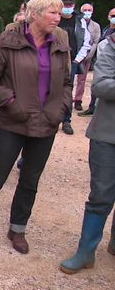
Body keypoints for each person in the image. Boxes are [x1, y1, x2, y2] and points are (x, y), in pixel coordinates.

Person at [0, 0, 71, 254]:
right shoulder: (9, 39)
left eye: (60, 12)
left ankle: (18, 228)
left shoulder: (60, 41)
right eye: (53, 12)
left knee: (30, 180)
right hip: (12, 123)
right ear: (34, 14)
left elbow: (67, 82)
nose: (58, 17)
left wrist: (60, 109)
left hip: (46, 124)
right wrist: (12, 103)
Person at [60, 32, 115, 274]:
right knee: (101, 195)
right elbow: (102, 86)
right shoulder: (111, 48)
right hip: (108, 136)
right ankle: (86, 252)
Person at [58, 0, 91, 135]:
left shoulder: (79, 21)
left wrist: (77, 59)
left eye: (70, 5)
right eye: (65, 5)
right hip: (54, 59)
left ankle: (66, 120)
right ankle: (50, 119)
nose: (67, 7)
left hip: (71, 61)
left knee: (67, 92)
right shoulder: (55, 18)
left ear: (74, 5)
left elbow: (86, 41)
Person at [79, 7, 115, 117]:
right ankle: (92, 107)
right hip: (100, 62)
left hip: (110, 67)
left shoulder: (98, 27)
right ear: (108, 17)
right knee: (97, 85)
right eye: (112, 16)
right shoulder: (106, 30)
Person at [73, 3, 101, 111]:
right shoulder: (77, 22)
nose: (87, 12)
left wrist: (88, 55)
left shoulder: (96, 26)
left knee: (82, 80)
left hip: (87, 56)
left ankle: (78, 100)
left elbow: (95, 42)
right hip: (74, 54)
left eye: (89, 10)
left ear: (92, 11)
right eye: (85, 9)